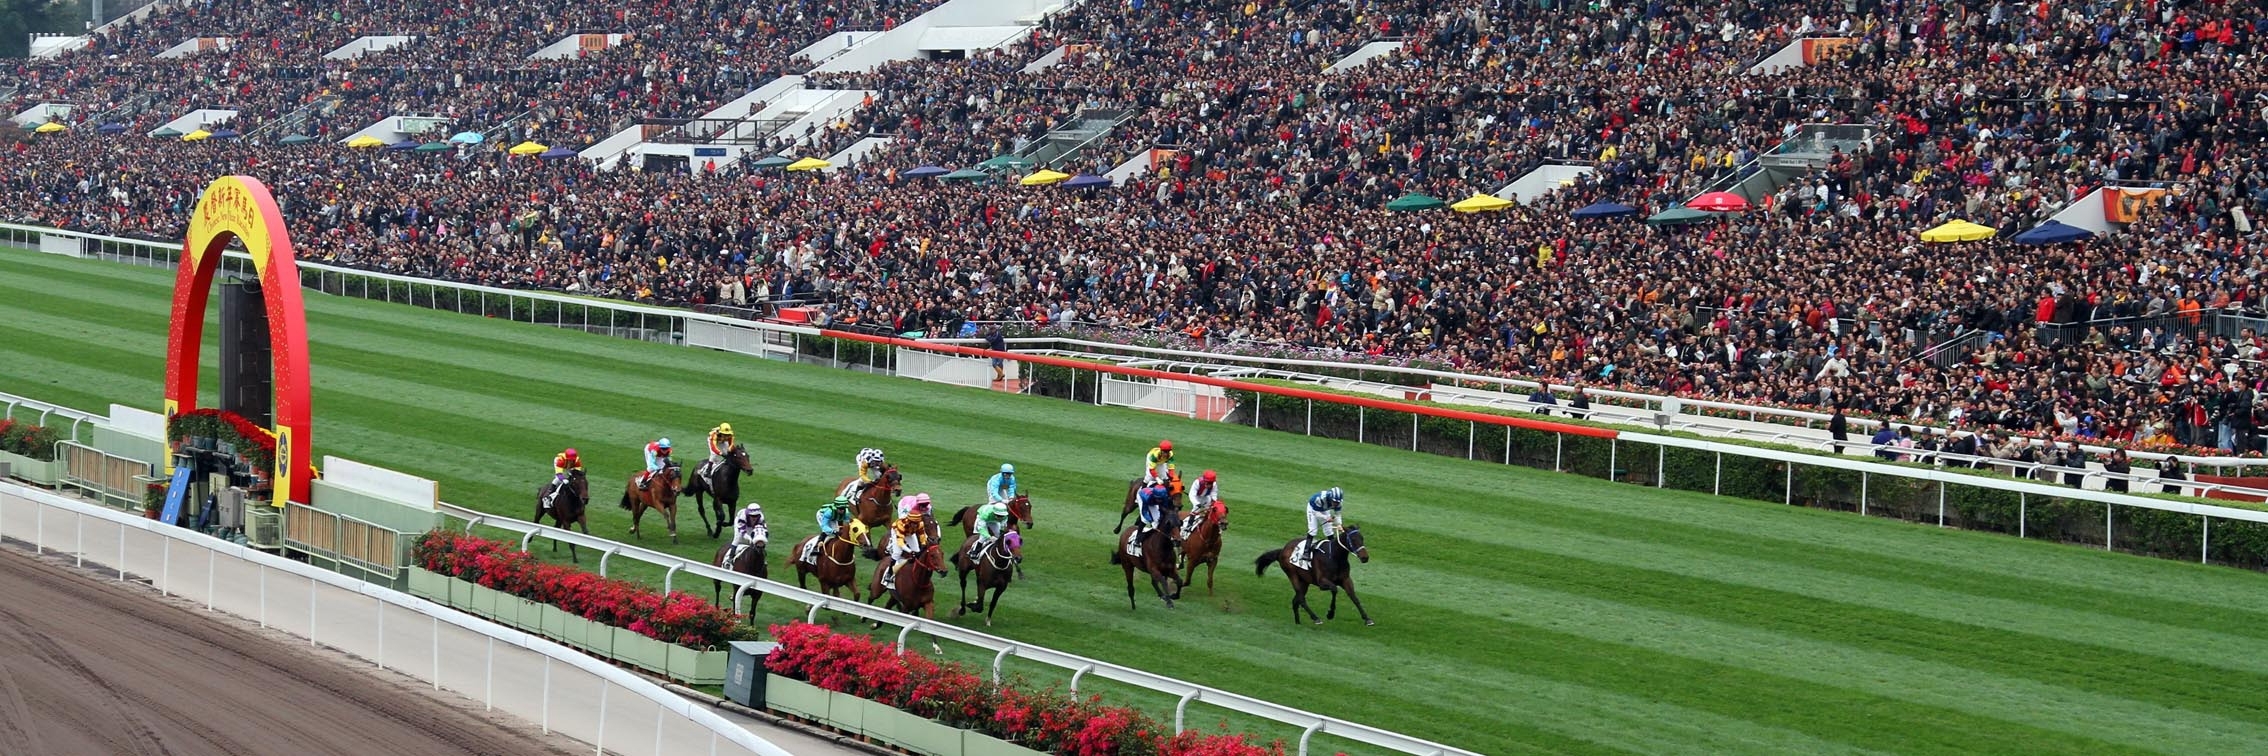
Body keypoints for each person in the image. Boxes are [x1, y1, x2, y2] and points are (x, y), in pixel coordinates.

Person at [1304, 487, 1344, 587]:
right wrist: (1326, 518)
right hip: (1313, 509)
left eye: (1337, 502)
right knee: (1313, 530)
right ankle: (1306, 552)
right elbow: (1316, 514)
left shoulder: (1338, 502)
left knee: (1329, 530)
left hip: (1324, 509)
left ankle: (1334, 550)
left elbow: (1338, 515)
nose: (1335, 504)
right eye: (1334, 502)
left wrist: (1339, 525)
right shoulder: (1319, 499)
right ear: (1331, 498)